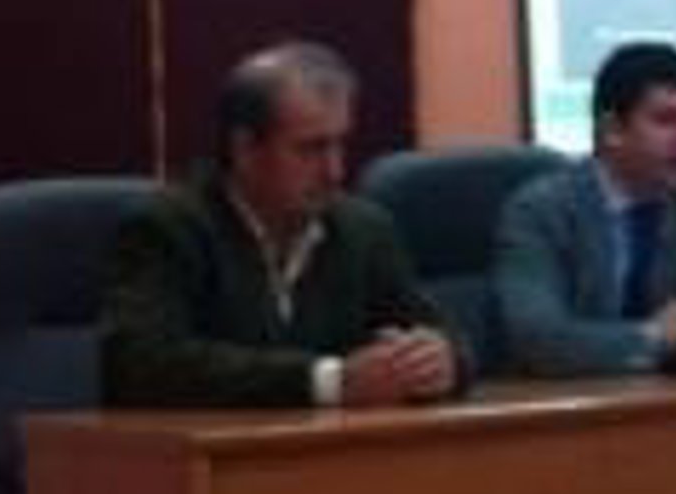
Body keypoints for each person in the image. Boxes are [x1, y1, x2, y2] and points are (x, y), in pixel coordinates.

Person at [101, 39, 462, 408]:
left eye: (340, 145)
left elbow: (441, 336)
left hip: (338, 443)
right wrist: (326, 381)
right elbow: (140, 365)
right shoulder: (169, 228)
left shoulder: (363, 229)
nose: (335, 171)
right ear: (245, 149)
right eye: (311, 149)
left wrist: (438, 360)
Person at [494, 39, 676, 373]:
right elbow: (535, 339)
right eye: (666, 120)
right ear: (612, 130)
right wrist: (652, 337)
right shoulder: (541, 210)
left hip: (672, 394)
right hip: (570, 398)